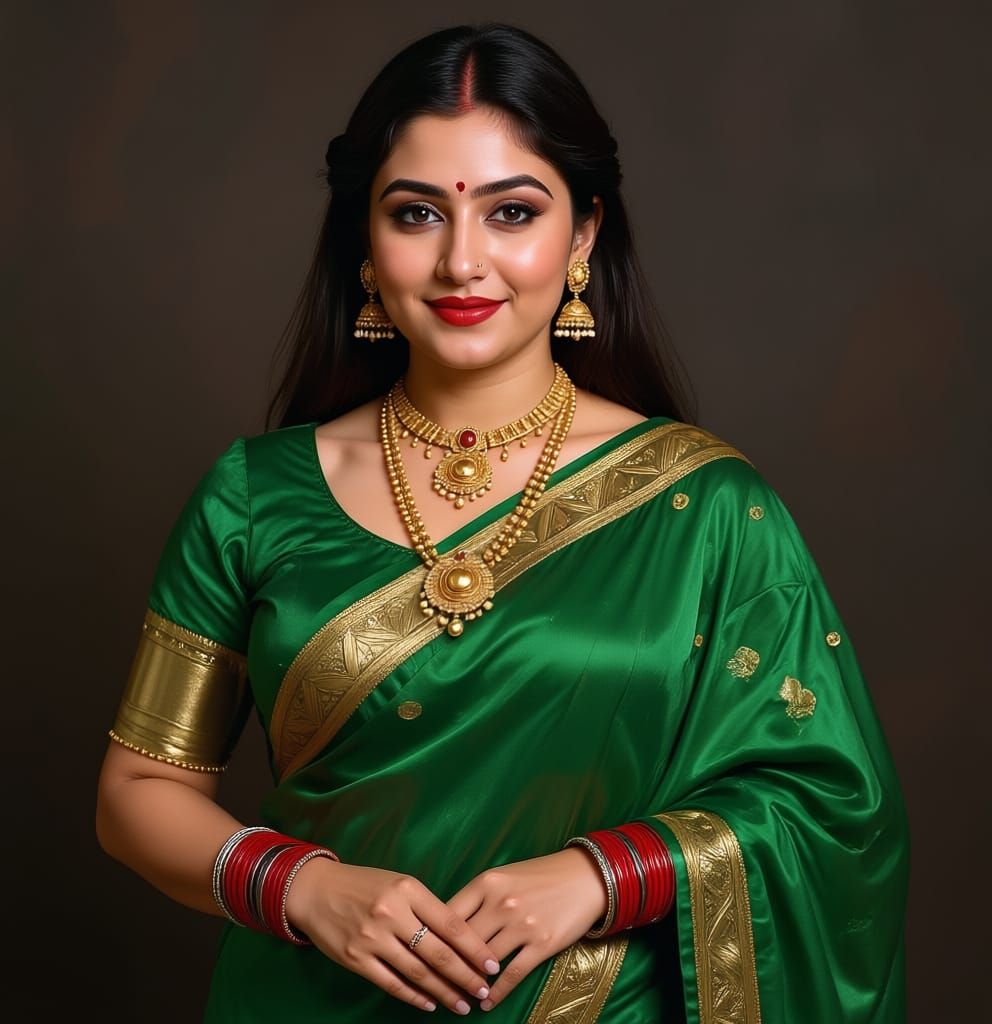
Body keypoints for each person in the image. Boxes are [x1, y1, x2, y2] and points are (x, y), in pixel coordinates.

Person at [96, 22, 908, 1023]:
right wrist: (302, 887)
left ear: (581, 236)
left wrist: (603, 873)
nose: (462, 261)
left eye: (512, 211)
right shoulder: (255, 495)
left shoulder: (709, 509)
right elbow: (137, 791)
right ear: (363, 241)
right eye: (416, 214)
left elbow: (831, 806)